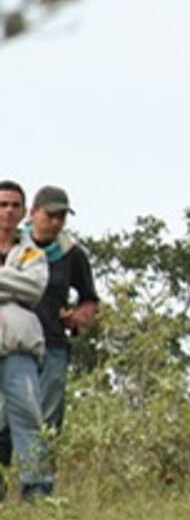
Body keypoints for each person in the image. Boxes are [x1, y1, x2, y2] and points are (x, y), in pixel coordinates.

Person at [24, 186, 99, 436]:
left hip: (52, 344)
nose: (56, 222)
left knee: (47, 423)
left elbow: (89, 299)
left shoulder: (71, 254)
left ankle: (39, 475)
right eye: (50, 215)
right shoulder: (13, 245)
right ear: (33, 213)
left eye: (61, 217)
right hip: (13, 343)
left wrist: (78, 318)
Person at [0, 181, 50, 500]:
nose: (8, 211)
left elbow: (33, 288)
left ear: (24, 212)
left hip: (19, 345)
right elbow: (21, 286)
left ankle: (36, 489)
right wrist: (11, 283)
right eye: (2, 204)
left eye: (15, 205)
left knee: (29, 415)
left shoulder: (33, 253)